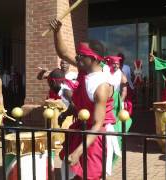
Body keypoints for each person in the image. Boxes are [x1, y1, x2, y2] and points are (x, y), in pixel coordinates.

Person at [50, 19, 116, 180]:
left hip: (95, 135)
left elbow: (98, 124)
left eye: (81, 55)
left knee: (89, 175)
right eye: (78, 54)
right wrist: (57, 31)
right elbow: (63, 53)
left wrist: (78, 151)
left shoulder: (102, 86)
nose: (77, 57)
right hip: (81, 129)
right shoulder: (84, 69)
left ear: (93, 58)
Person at [105, 55, 132, 175]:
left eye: (118, 64)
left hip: (116, 100)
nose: (116, 65)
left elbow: (124, 90)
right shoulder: (106, 72)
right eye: (114, 63)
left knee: (116, 122)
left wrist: (120, 101)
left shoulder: (121, 74)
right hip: (106, 98)